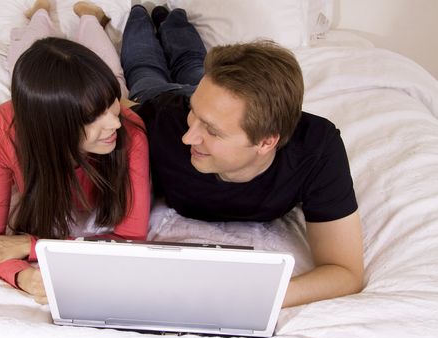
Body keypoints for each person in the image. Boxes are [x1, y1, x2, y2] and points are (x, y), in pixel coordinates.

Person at [120, 5, 364, 308]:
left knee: (191, 65)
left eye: (211, 131)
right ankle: (141, 12)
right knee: (147, 70)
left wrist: (248, 298)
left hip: (201, 99)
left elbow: (346, 272)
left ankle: (172, 17)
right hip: (169, 98)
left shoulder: (317, 147)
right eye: (194, 118)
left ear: (266, 142)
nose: (188, 137)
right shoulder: (165, 122)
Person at [0, 0, 150, 304]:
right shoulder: (1, 129)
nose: (114, 123)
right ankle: (40, 12)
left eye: (110, 106)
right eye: (93, 117)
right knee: (25, 58)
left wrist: (32, 245)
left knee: (111, 72)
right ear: (54, 126)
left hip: (94, 85)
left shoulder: (128, 126)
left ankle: (89, 16)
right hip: (42, 99)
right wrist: (24, 277)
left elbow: (131, 239)